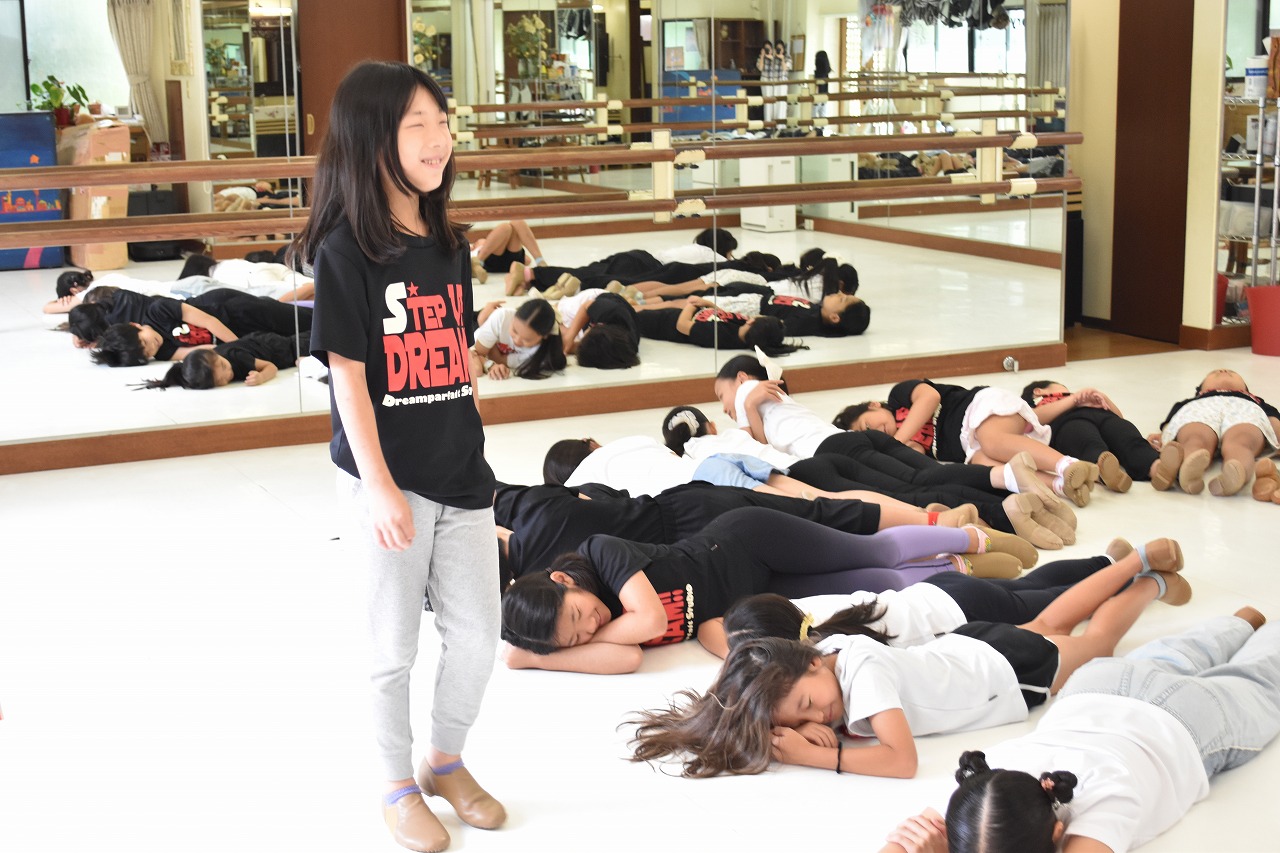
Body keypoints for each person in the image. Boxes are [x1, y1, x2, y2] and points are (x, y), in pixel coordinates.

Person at [291, 61, 504, 853]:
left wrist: (474, 440)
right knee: (393, 647)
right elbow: (346, 376)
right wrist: (378, 486)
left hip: (462, 474)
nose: (439, 139)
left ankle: (443, 759)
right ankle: (395, 784)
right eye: (418, 125)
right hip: (389, 480)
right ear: (372, 138)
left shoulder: (449, 243)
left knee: (477, 634)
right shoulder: (346, 252)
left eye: (443, 123)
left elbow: (459, 354)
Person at [626, 555, 1175, 779]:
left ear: (813, 662)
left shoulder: (861, 673)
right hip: (968, 646)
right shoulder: (832, 653)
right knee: (1050, 619)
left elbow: (902, 760)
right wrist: (802, 723)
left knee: (1096, 644)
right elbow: (776, 692)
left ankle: (1149, 579)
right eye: (802, 717)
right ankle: (1133, 565)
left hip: (1003, 672)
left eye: (809, 703)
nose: (820, 714)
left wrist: (824, 755)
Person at [881, 607, 1279, 853]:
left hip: (1185, 722)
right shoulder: (982, 789)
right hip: (1098, 686)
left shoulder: (1102, 810)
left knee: (1261, 679)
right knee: (1175, 654)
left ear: (1058, 833)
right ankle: (1239, 622)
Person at [500, 506, 1030, 674]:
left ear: (562, 580)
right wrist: (544, 655)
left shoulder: (599, 553)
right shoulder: (605, 634)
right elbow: (628, 660)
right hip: (748, 596)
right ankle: (960, 568)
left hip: (746, 541)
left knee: (870, 552)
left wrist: (566, 644)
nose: (590, 626)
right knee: (877, 585)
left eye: (577, 615)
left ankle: (973, 535)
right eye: (576, 637)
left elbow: (653, 622)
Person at [713, 356, 1080, 549]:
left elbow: (755, 445)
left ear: (741, 378)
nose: (724, 406)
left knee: (909, 494)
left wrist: (746, 410)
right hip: (853, 440)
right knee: (926, 475)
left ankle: (1003, 512)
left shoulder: (749, 394)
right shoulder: (779, 396)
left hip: (830, 451)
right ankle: (1010, 481)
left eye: (720, 395)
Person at [712, 536, 1187, 658]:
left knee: (1053, 601)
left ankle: (1139, 573)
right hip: (938, 591)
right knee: (1031, 586)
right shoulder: (811, 608)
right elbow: (722, 625)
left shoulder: (831, 652)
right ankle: (1105, 560)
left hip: (964, 613)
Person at [835, 379, 1100, 507]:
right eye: (870, 435)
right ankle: (1061, 485)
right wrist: (892, 449)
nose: (876, 432)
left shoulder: (898, 397)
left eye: (867, 425)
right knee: (983, 463)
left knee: (992, 441)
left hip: (979, 407)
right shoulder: (904, 442)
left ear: (873, 405)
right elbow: (914, 460)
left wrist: (896, 439)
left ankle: (1067, 465)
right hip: (969, 445)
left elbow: (929, 397)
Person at [1021, 379, 1184, 493]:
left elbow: (1119, 417)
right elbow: (1035, 418)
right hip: (1068, 423)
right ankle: (1106, 473)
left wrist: (1103, 399)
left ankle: (1159, 469)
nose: (1068, 390)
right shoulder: (1036, 407)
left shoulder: (1085, 399)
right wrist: (1075, 399)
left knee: (1127, 436)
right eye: (1062, 387)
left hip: (1105, 418)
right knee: (1088, 443)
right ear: (1039, 391)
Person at [1150, 368, 1280, 497]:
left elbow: (1273, 418)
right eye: (1214, 373)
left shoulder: (1255, 400)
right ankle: (1188, 470)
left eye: (1232, 373)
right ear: (1200, 390)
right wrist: (1165, 434)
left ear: (1246, 389)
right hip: (1201, 409)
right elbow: (1174, 420)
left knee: (1241, 440)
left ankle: (1236, 472)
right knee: (1195, 437)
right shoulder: (1192, 401)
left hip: (1244, 409)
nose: (1223, 371)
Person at [135, 330, 309, 390]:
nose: (228, 374)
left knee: (311, 344)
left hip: (281, 347)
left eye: (224, 366)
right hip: (265, 344)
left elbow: (270, 366)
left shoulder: (236, 357)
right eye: (221, 380)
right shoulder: (206, 370)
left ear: (218, 356)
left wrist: (262, 377)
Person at [635, 296, 804, 355]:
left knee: (636, 315)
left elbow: (682, 326)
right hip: (678, 312)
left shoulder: (721, 336)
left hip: (662, 323)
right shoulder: (741, 326)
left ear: (753, 321)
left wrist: (691, 305)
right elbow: (722, 315)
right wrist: (708, 304)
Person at [470, 298, 566, 380]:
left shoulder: (539, 354)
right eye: (514, 331)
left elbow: (497, 359)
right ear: (514, 316)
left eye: (526, 340)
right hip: (475, 330)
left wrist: (484, 325)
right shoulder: (503, 317)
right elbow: (478, 352)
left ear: (544, 336)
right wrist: (483, 322)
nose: (517, 341)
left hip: (482, 329)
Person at [556, 288, 641, 369]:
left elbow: (593, 351)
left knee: (563, 337)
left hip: (601, 322)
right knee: (561, 312)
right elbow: (586, 305)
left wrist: (570, 347)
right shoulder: (611, 311)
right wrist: (570, 337)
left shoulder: (624, 350)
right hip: (595, 300)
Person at [466, 218, 546, 285]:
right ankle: (477, 262)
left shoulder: (489, 242)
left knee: (517, 221)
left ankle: (541, 262)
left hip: (510, 261)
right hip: (490, 260)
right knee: (505, 227)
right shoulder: (477, 248)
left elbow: (527, 260)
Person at [813, 50, 832, 132]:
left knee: (813, 114)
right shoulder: (826, 72)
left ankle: (815, 131)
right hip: (825, 95)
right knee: (823, 114)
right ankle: (822, 131)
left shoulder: (818, 73)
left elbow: (816, 86)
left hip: (817, 96)